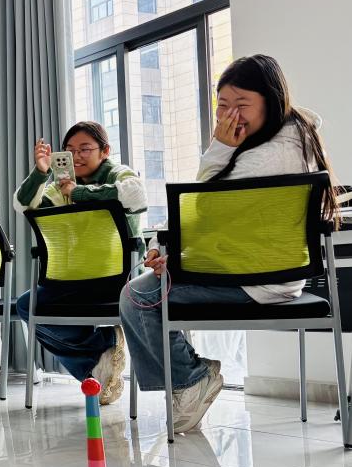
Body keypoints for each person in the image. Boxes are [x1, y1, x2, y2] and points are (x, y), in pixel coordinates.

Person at [120, 54, 340, 432]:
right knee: (144, 290)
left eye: (242, 104)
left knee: (138, 297)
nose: (230, 115)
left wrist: (218, 149)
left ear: (271, 102)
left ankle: (192, 379)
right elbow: (217, 219)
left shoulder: (266, 155)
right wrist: (166, 249)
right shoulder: (287, 139)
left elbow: (202, 208)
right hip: (264, 272)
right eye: (222, 105)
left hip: (253, 279)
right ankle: (189, 381)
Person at [13, 121, 147, 405]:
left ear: (105, 151)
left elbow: (136, 194)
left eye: (85, 149)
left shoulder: (117, 173)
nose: (76, 156)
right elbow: (23, 205)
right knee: (26, 305)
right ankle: (100, 358)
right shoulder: (59, 186)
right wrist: (40, 173)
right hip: (74, 281)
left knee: (33, 306)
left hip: (119, 282)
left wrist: (79, 194)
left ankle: (100, 359)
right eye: (70, 150)